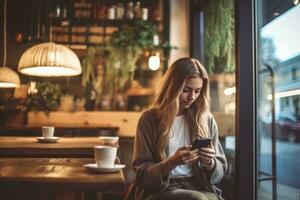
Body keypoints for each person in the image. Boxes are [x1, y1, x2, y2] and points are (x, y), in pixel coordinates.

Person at [129, 57, 227, 200]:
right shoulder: (149, 120)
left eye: (198, 91)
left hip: (198, 185)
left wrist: (210, 163)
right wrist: (171, 162)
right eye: (186, 90)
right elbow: (142, 175)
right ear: (173, 87)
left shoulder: (205, 119)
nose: (192, 97)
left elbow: (219, 173)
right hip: (162, 189)